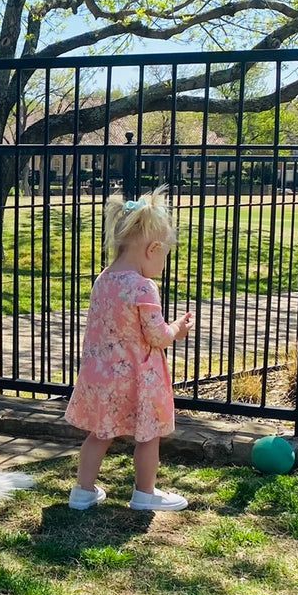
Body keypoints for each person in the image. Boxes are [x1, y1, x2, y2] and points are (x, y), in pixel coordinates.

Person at [65, 190, 194, 512]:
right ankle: (145, 493)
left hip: (102, 377)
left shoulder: (103, 280)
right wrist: (178, 329)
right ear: (152, 249)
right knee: (148, 437)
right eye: (164, 256)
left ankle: (82, 492)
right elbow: (157, 336)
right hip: (138, 378)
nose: (163, 264)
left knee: (99, 434)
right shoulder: (142, 286)